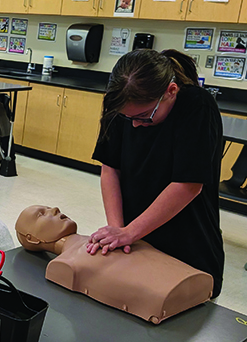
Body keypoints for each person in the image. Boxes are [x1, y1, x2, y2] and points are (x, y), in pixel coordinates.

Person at [89, 49, 225, 298]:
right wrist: (117, 231)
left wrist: (129, 233)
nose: (135, 125)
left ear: (171, 92)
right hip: (137, 240)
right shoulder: (121, 104)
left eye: (144, 117)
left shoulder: (197, 105)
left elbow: (188, 184)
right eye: (127, 117)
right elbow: (110, 169)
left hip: (186, 241)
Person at [15, 205, 213, 324]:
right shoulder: (64, 265)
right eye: (41, 214)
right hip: (167, 299)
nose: (55, 209)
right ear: (32, 239)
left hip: (184, 277)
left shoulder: (109, 239)